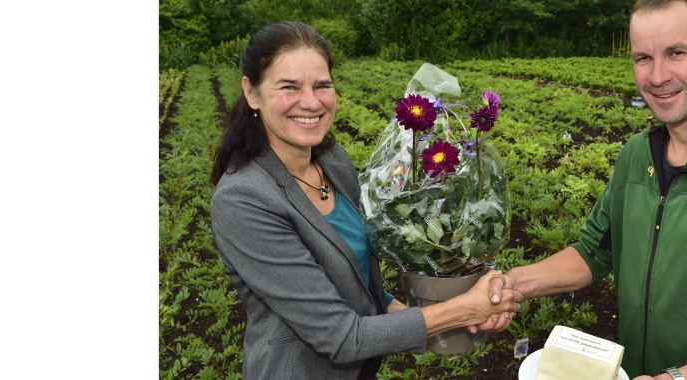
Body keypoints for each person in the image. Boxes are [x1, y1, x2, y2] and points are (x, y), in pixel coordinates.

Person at [478, 1, 687, 379]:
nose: (657, 77)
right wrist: (513, 284)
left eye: (676, 53)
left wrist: (677, 379)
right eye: (643, 58)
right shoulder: (637, 154)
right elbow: (595, 251)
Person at [209, 21, 524, 380]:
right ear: (252, 93)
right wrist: (464, 309)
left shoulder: (333, 161)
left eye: (322, 85)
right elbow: (341, 337)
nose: (311, 102)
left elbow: (362, 284)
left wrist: (444, 311)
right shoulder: (244, 200)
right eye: (289, 87)